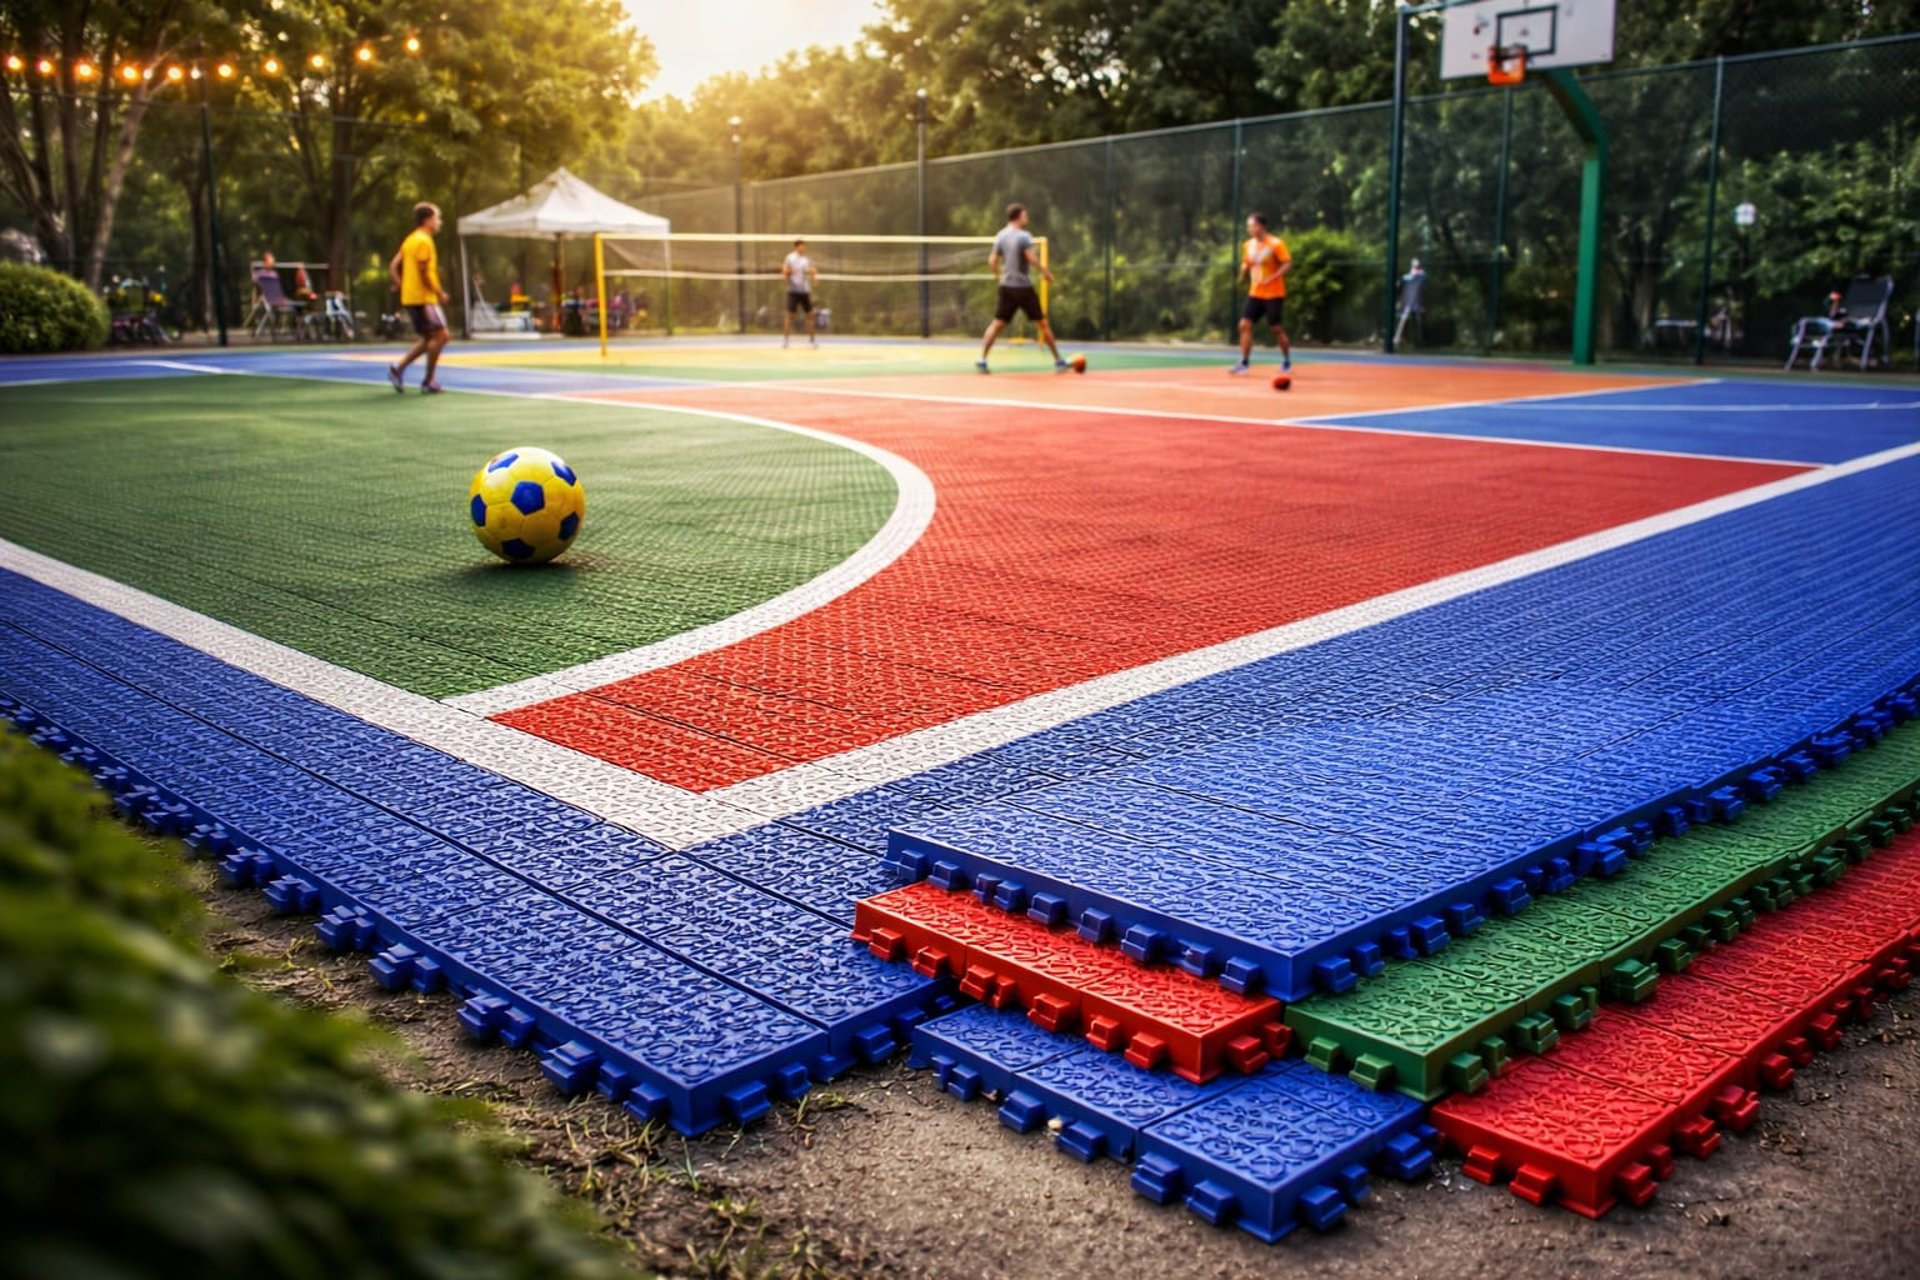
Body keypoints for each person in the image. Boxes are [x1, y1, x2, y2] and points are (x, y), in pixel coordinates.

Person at [978, 203, 1067, 374]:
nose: (1027, 218)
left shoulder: (1000, 236)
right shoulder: (1024, 236)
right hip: (1023, 287)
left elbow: (992, 261)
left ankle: (982, 359)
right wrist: (1046, 273)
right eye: (1025, 215)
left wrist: (999, 276)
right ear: (1018, 216)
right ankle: (1058, 360)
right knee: (1042, 323)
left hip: (1006, 286)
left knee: (997, 323)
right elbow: (1031, 259)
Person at [387, 202, 450, 394]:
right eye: (436, 218)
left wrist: (399, 283)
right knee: (442, 336)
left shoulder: (410, 240)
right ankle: (428, 381)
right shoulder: (424, 241)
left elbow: (393, 265)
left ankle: (398, 370)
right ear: (428, 220)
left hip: (410, 297)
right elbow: (424, 272)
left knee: (429, 338)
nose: (438, 222)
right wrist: (439, 292)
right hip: (423, 299)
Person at [1231, 211, 1291, 376]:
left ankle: (1286, 361)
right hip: (1255, 292)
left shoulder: (1276, 244)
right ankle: (1244, 363)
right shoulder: (1248, 245)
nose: (1250, 228)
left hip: (1274, 293)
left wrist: (1273, 277)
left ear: (1262, 226)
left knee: (1276, 328)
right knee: (1244, 325)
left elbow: (1287, 263)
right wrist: (1243, 271)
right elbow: (1247, 262)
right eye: (1248, 226)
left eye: (1253, 225)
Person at [782, 239, 818, 348]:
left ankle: (812, 341)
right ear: (796, 247)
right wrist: (790, 272)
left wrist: (813, 275)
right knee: (789, 316)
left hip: (804, 291)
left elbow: (812, 270)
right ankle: (785, 340)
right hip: (793, 291)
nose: (804, 248)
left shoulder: (806, 259)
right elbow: (784, 272)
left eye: (805, 246)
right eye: (802, 246)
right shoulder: (790, 258)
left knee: (810, 315)